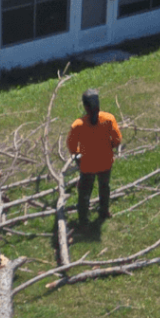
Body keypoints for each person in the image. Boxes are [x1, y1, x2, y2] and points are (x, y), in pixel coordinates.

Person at [66, 88, 122, 226]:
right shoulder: (109, 119)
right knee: (104, 187)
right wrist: (110, 146)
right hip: (105, 162)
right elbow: (117, 139)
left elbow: (71, 146)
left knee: (84, 192)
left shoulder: (78, 125)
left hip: (87, 165)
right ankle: (104, 211)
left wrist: (78, 156)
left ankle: (83, 219)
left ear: (85, 106)